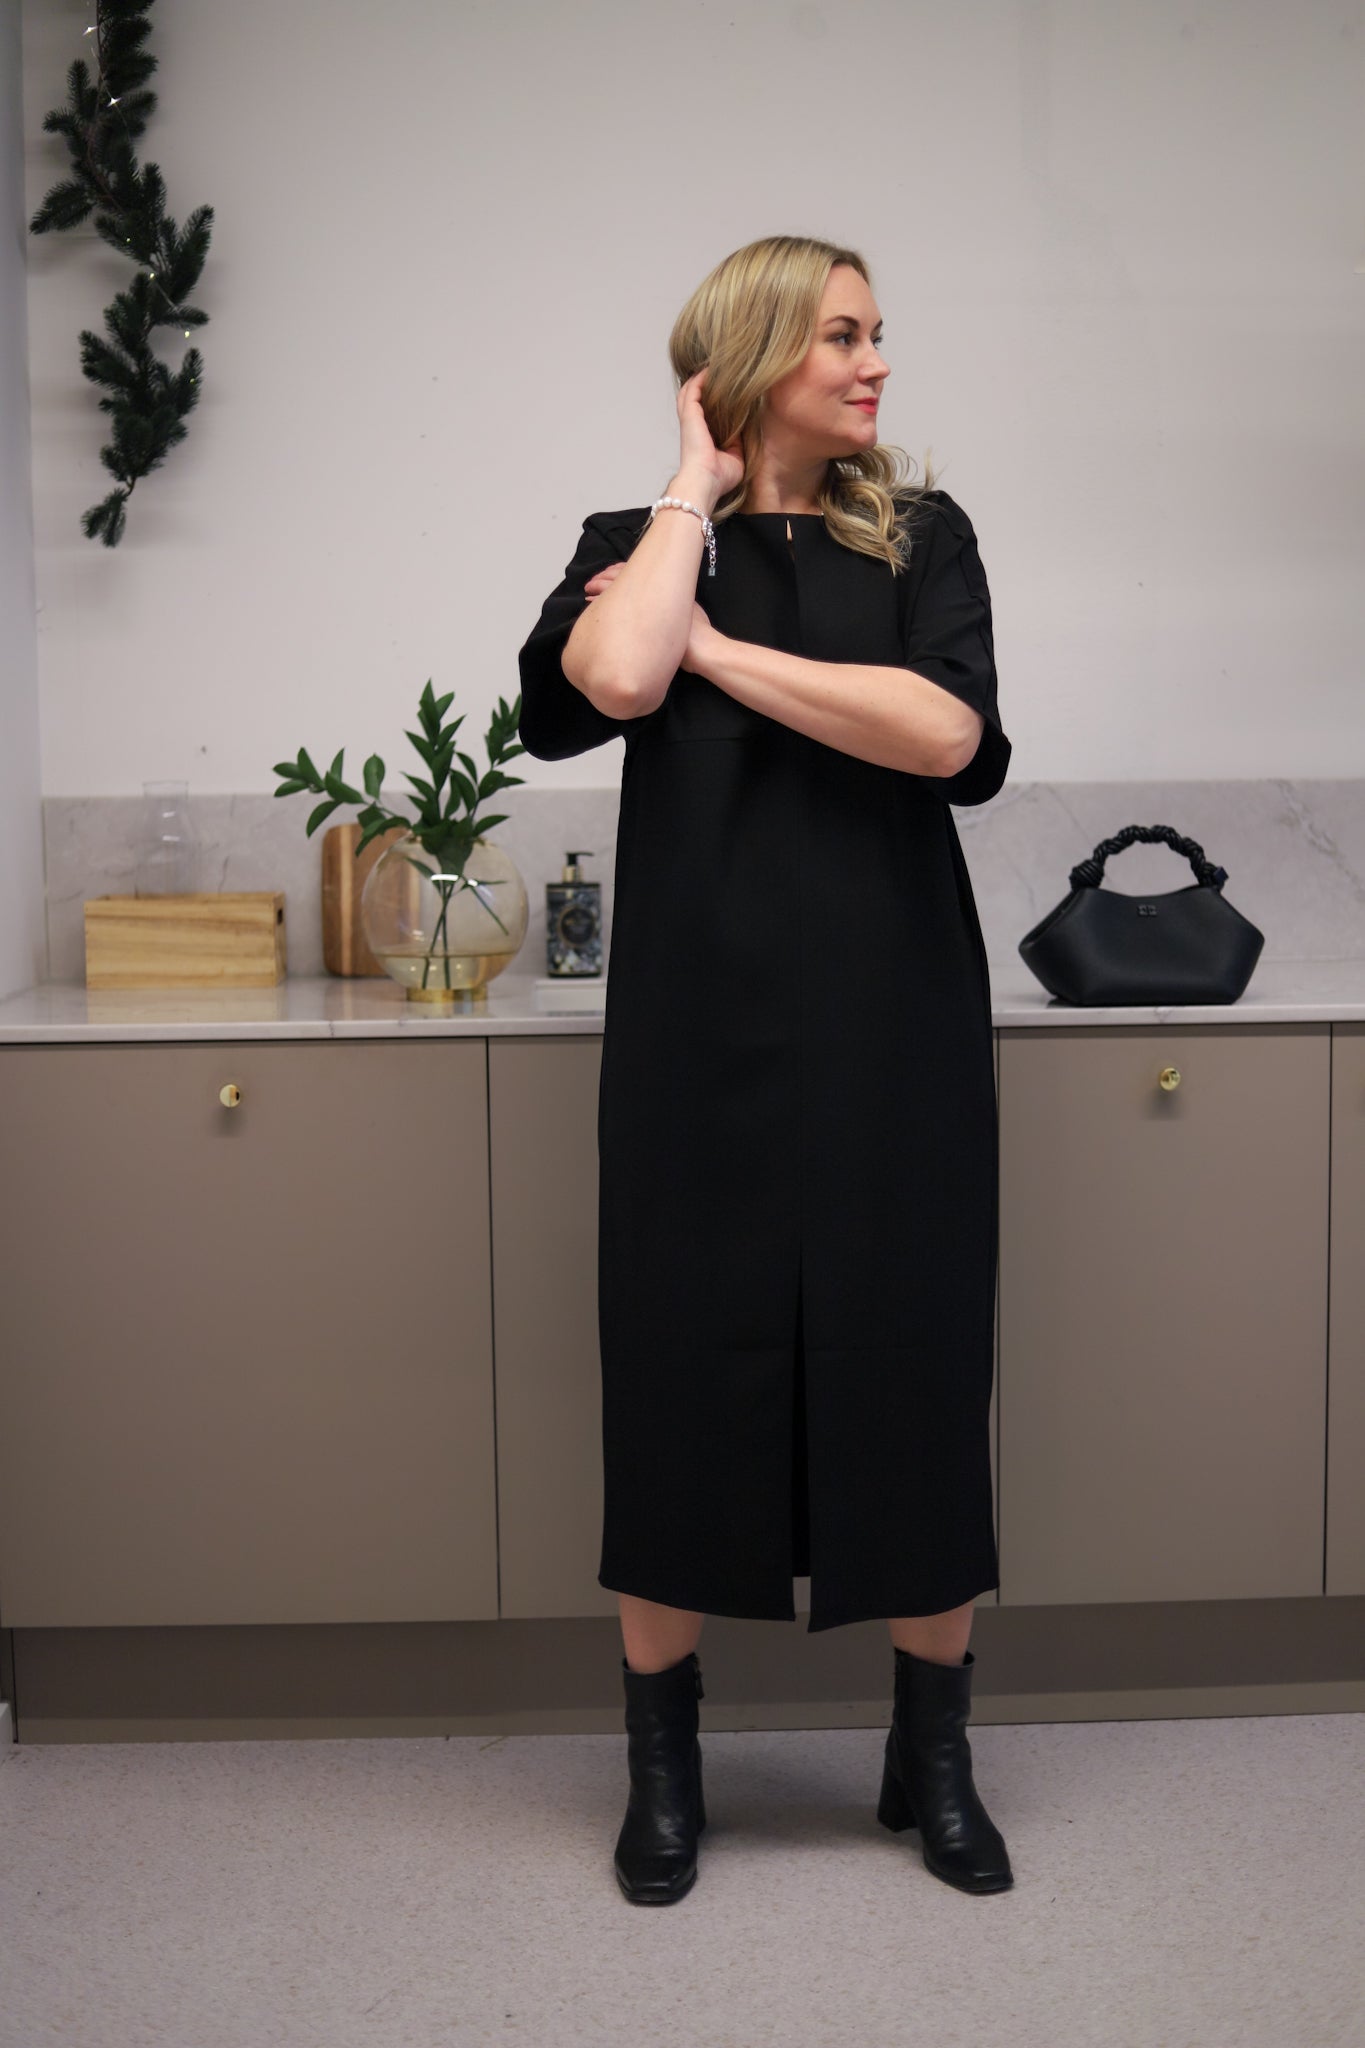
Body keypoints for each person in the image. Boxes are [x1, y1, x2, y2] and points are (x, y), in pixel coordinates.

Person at [517, 235, 1013, 1906]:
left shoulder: (921, 537)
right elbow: (610, 678)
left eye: (878, 335)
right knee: (677, 1371)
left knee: (916, 1365)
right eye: (842, 337)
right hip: (694, 1035)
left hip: (897, 1027)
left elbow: (945, 737)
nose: (876, 365)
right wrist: (690, 488)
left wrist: (720, 654)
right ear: (748, 358)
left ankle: (929, 1757)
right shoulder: (636, 542)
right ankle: (663, 1770)